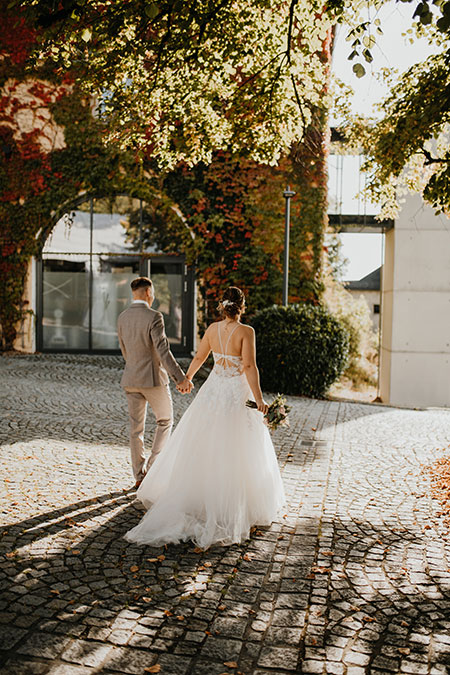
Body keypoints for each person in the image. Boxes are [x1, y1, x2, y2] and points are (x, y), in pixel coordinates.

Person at [125, 286, 285, 549]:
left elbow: (200, 356)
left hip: (214, 389)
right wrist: (259, 399)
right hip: (236, 391)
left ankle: (197, 496)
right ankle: (232, 505)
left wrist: (188, 378)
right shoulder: (246, 332)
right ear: (242, 306)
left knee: (205, 441)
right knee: (237, 446)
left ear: (222, 306)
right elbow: (248, 366)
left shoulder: (212, 330)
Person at [117, 277, 193, 489]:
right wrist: (181, 378)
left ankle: (139, 475)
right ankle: (152, 469)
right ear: (149, 293)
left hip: (131, 379)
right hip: (153, 380)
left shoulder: (122, 317)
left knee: (135, 429)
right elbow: (163, 351)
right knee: (165, 420)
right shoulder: (154, 316)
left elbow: (124, 351)